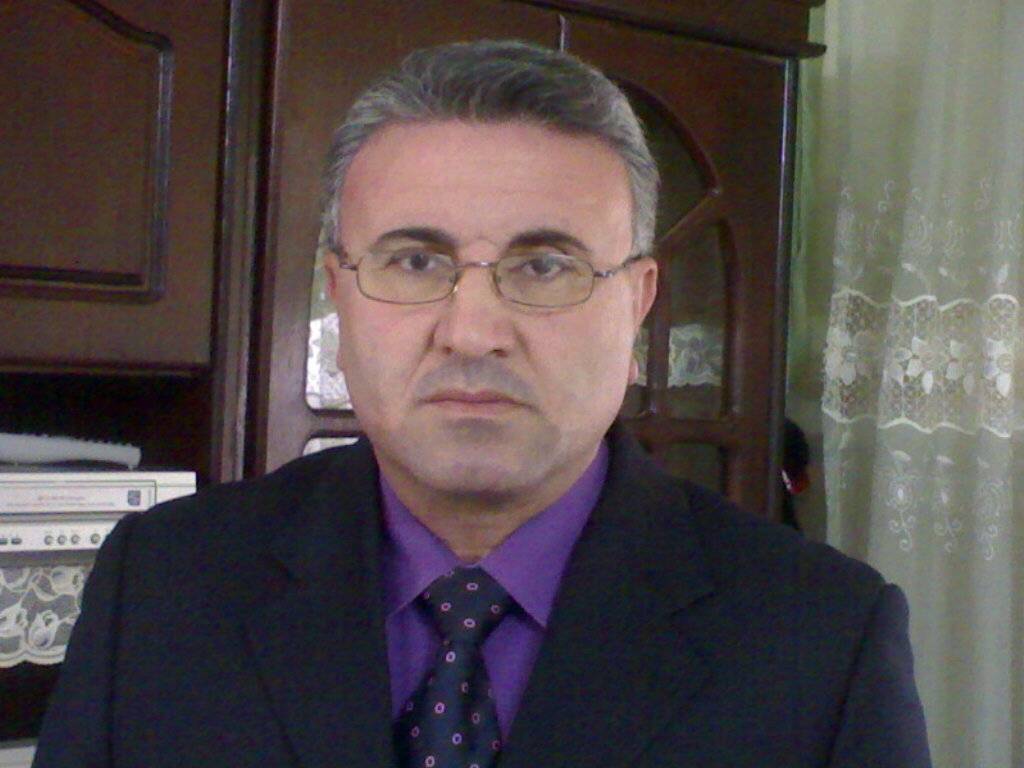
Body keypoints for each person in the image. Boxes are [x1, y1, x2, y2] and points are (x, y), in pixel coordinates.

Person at [32, 40, 931, 768]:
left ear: (639, 302)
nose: (472, 331)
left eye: (544, 266)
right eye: (414, 260)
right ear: (338, 293)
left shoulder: (822, 639)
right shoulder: (163, 584)